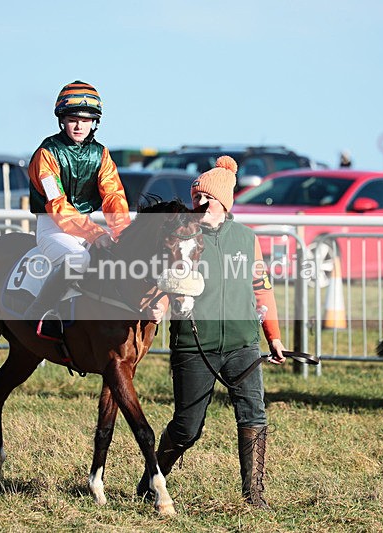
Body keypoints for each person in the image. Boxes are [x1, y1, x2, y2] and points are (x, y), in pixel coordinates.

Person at [139, 156, 287, 509]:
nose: (200, 202)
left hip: (242, 343)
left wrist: (274, 337)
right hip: (194, 344)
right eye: (196, 197)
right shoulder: (182, 235)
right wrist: (158, 305)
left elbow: (262, 289)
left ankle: (253, 495)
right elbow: (165, 280)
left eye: (207, 197)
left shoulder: (246, 238)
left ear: (223, 200)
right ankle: (152, 478)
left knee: (254, 416)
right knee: (187, 427)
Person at [25, 80, 130, 341]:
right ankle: (39, 312)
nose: (79, 126)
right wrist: (96, 234)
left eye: (86, 120)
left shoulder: (101, 154)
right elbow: (57, 205)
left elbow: (114, 196)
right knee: (78, 259)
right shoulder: (47, 153)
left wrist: (123, 233)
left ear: (95, 122)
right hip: (52, 227)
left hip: (85, 226)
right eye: (73, 119)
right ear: (62, 120)